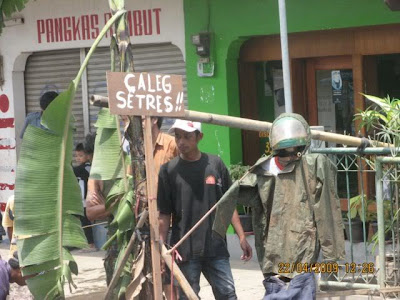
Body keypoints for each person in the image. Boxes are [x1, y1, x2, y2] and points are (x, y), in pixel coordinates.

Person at [213, 113, 345, 300]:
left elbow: (327, 211)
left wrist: (332, 256)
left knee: (298, 287)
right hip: (274, 251)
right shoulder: (263, 169)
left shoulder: (314, 165)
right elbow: (234, 195)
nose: (289, 156)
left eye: (294, 151)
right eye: (285, 152)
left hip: (302, 251)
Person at [157, 119, 253, 300]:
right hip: (183, 249)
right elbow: (164, 213)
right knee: (188, 296)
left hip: (215, 246)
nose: (181, 141)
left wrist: (241, 236)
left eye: (187, 136)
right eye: (177, 136)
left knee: (228, 294)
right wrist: (162, 249)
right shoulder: (168, 171)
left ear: (199, 137)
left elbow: (228, 203)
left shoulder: (215, 164)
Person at [86, 117, 178, 285]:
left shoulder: (170, 145)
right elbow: (91, 212)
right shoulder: (122, 157)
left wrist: (117, 201)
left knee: (168, 280)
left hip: (165, 223)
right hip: (127, 232)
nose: (129, 123)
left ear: (154, 119)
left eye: (138, 118)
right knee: (128, 282)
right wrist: (119, 202)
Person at [73, 135, 96, 249]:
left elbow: (74, 171)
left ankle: (90, 244)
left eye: (81, 155)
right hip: (81, 200)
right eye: (76, 156)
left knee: (86, 223)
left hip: (87, 199)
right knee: (83, 222)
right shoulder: (82, 167)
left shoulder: (86, 167)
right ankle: (85, 243)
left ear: (87, 156)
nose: (78, 158)